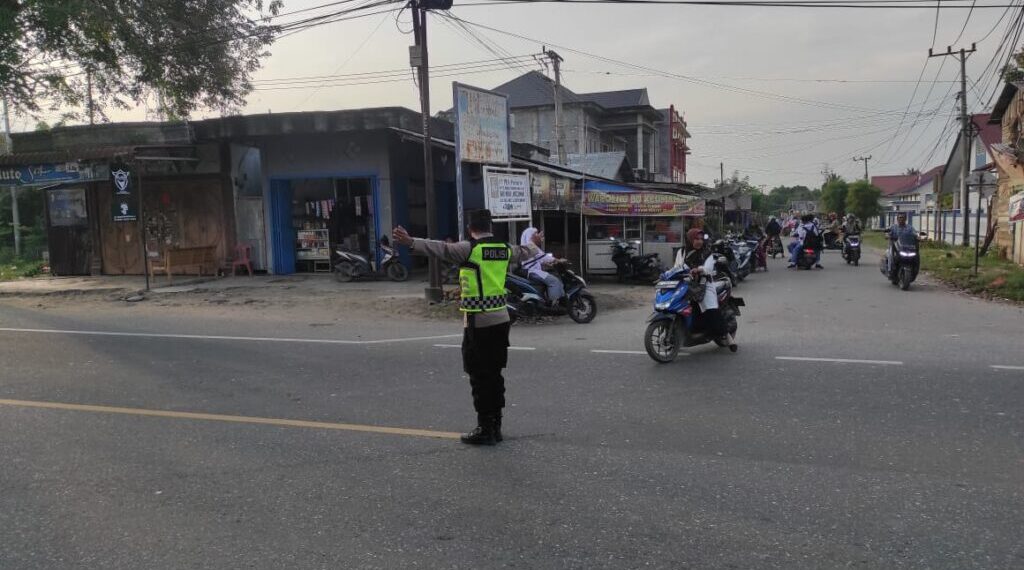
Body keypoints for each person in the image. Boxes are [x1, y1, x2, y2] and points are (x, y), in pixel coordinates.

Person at [392, 209, 540, 446]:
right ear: (490, 227)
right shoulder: (504, 249)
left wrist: (411, 242)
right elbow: (524, 252)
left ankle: (485, 428)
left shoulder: (468, 249)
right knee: (494, 374)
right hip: (501, 320)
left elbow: (440, 248)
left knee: (479, 375)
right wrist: (533, 243)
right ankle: (496, 426)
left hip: (478, 322)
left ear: (470, 229)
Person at [676, 228, 738, 352]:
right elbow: (677, 266)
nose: (699, 242)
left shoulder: (707, 253)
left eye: (700, 239)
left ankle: (728, 337)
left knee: (710, 310)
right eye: (696, 239)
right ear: (689, 239)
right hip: (687, 284)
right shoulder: (682, 252)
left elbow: (708, 268)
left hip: (704, 284)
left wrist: (699, 269)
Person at [519, 227, 565, 306]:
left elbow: (538, 258)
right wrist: (558, 260)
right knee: (554, 281)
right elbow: (542, 256)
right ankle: (553, 305)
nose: (539, 235)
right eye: (536, 233)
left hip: (533, 270)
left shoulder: (529, 245)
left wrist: (548, 263)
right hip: (532, 271)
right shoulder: (529, 245)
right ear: (531, 235)